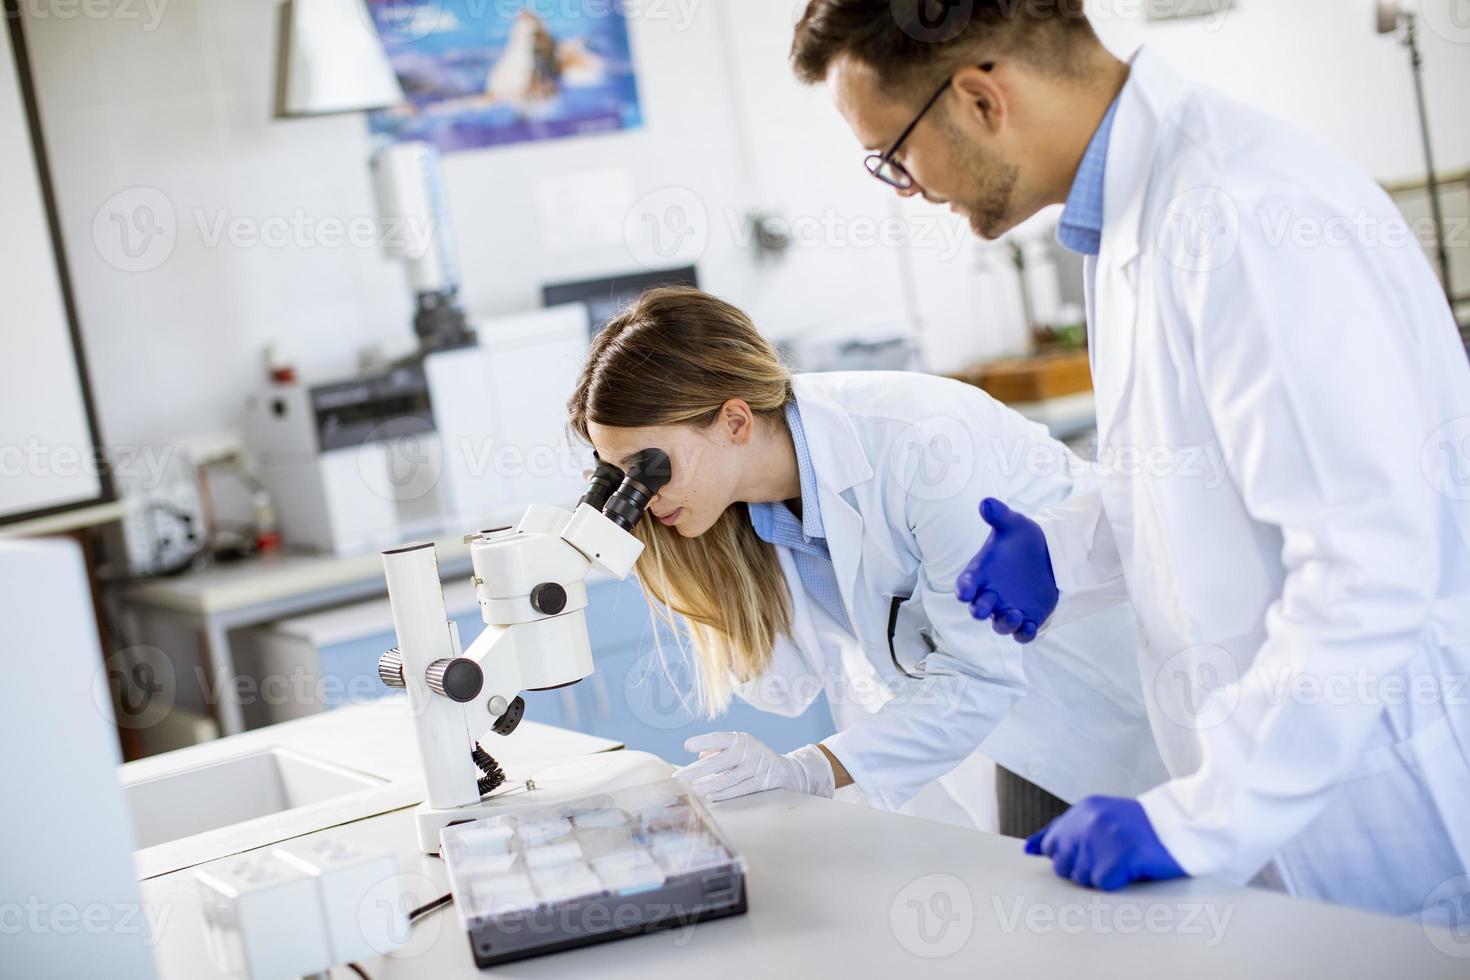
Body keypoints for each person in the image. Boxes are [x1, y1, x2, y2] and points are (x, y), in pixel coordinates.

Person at [791, 0, 1470, 922]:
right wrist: (1064, 547)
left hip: (1381, 805)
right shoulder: (1130, 220)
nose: (905, 190)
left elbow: (1368, 564)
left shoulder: (1240, 214)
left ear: (981, 99)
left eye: (895, 157)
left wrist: (1199, 821)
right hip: (1284, 802)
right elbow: (1203, 476)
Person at [567, 286, 1166, 835]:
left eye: (650, 467)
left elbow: (979, 674)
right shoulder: (754, 510)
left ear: (734, 421)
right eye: (618, 474)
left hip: (1106, 705)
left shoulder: (921, 444)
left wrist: (809, 769)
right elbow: (782, 687)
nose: (641, 496)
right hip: (997, 735)